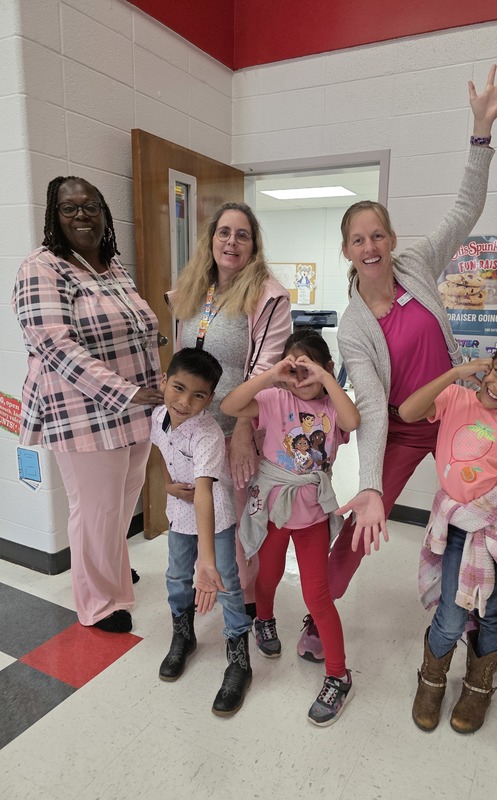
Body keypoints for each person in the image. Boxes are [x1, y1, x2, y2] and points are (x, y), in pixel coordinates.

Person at [296, 65, 497, 661]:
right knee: (360, 525)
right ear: (345, 250)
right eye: (358, 240)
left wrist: (480, 132)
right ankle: (317, 615)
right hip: (399, 426)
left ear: (392, 240)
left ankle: (475, 617)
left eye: (379, 235)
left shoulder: (419, 266)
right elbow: (372, 407)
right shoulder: (352, 327)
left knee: (480, 517)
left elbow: (466, 208)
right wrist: (370, 486)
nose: (370, 247)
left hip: (457, 416)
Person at [12, 176, 163, 633]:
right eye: (69, 207)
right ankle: (99, 602)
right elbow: (53, 345)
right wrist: (127, 392)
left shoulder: (111, 265)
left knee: (122, 501)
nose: (82, 215)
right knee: (95, 509)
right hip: (82, 411)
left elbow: (134, 327)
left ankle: (110, 569)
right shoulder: (43, 266)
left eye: (91, 206)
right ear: (52, 216)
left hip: (137, 408)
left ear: (105, 213)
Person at [398, 339, 497, 733]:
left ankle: (477, 686)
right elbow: (408, 411)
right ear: (488, 365)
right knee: (450, 616)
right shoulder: (455, 396)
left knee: (493, 613)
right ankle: (431, 678)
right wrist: (454, 373)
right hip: (457, 528)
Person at [221, 329, 360, 726]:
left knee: (317, 596)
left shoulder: (333, 407)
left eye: (309, 370)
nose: (301, 379)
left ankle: (338, 674)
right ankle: (263, 618)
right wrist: (272, 375)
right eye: (294, 369)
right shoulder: (274, 398)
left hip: (313, 513)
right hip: (273, 507)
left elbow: (352, 419)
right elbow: (231, 406)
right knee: (268, 574)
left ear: (326, 369)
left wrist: (327, 378)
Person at [168, 202, 292, 619]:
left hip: (234, 430)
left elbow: (266, 371)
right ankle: (209, 592)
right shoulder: (195, 288)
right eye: (224, 232)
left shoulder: (267, 295)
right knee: (196, 516)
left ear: (254, 244)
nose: (231, 242)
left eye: (242, 234)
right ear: (211, 238)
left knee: (238, 527)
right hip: (193, 430)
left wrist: (242, 431)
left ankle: (252, 608)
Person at [151, 348, 252, 716]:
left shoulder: (207, 434)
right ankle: (183, 634)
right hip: (179, 514)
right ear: (164, 382)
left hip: (214, 517)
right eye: (178, 388)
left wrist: (206, 561)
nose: (184, 401)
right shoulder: (158, 416)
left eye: (198, 395)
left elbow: (206, 494)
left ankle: (239, 659)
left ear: (210, 399)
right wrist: (166, 482)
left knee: (226, 583)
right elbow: (161, 451)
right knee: (177, 577)